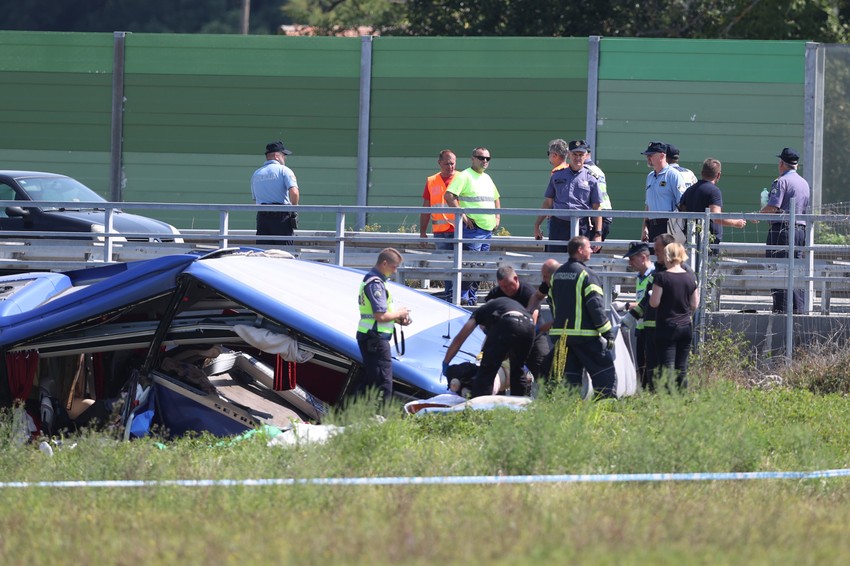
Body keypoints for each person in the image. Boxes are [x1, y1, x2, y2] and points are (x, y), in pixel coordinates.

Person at [545, 236, 616, 398]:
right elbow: (596, 306)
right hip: (586, 337)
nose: (592, 250)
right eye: (589, 247)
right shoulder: (587, 275)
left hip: (562, 338)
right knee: (604, 373)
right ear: (580, 250)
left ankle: (570, 410)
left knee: (570, 379)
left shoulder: (557, 275)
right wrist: (607, 333)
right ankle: (606, 409)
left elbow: (551, 303)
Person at [442, 296, 535, 398]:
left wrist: (446, 362)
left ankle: (479, 405)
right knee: (518, 372)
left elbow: (459, 339)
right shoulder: (511, 307)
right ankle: (519, 406)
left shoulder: (482, 313)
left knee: (487, 375)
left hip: (503, 369)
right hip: (529, 324)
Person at [445, 147, 501, 305]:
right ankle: (462, 297)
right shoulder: (465, 176)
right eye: (481, 158)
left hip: (487, 229)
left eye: (487, 159)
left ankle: (470, 297)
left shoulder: (487, 178)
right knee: (470, 265)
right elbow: (449, 196)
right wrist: (461, 214)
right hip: (473, 230)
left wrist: (497, 216)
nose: (484, 161)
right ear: (473, 159)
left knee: (480, 267)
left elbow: (496, 197)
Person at [355, 248, 411, 402]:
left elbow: (382, 314)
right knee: (383, 382)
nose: (395, 271)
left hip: (372, 336)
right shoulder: (376, 284)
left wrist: (399, 319)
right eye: (394, 267)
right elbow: (380, 316)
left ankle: (355, 414)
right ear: (384, 263)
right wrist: (399, 313)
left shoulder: (374, 281)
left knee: (371, 381)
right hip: (375, 338)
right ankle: (379, 417)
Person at [759, 147, 810, 314]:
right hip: (800, 230)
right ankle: (798, 310)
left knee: (778, 270)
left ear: (781, 163)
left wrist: (758, 215)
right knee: (795, 270)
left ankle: (781, 310)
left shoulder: (781, 182)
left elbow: (774, 206)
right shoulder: (804, 183)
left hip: (782, 231)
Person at [534, 139, 604, 253]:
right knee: (556, 261)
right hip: (559, 225)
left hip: (581, 226)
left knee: (579, 260)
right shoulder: (557, 175)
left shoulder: (591, 178)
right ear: (569, 154)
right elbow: (548, 202)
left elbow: (597, 207)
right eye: (575, 154)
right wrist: (537, 225)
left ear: (586, 156)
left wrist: (598, 233)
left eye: (581, 154)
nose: (578, 158)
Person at [484, 264, 551, 380]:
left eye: (509, 285)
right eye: (503, 287)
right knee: (504, 373)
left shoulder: (528, 292)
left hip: (533, 337)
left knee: (543, 372)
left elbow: (533, 317)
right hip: (507, 339)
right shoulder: (496, 294)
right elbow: (484, 316)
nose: (506, 289)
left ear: (516, 279)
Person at [679, 158, 746, 270]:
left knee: (691, 271)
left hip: (690, 240)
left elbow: (682, 209)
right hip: (709, 242)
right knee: (707, 275)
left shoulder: (690, 190)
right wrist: (736, 223)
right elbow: (716, 217)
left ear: (701, 173)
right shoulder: (714, 191)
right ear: (718, 175)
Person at [649, 242, 699, 389]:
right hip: (685, 326)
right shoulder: (690, 277)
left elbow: (654, 302)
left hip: (666, 326)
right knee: (682, 367)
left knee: (667, 367)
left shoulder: (661, 277)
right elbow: (695, 304)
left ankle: (668, 399)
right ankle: (682, 398)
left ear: (667, 256)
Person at [419, 149, 458, 301]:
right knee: (446, 266)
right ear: (439, 163)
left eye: (453, 163)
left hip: (459, 230)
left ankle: (460, 295)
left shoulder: (462, 178)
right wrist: (422, 232)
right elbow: (426, 208)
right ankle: (450, 295)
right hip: (440, 231)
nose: (450, 167)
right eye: (447, 163)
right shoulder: (431, 181)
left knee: (462, 263)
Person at [616, 242, 655, 390]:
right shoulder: (641, 277)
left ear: (644, 257)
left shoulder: (654, 275)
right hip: (641, 327)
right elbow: (641, 301)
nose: (630, 263)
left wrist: (626, 305)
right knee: (642, 366)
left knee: (650, 367)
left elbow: (646, 303)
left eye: (632, 259)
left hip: (651, 328)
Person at [250, 141, 300, 246]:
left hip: (262, 217)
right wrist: (294, 211)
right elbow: (294, 192)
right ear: (277, 156)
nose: (285, 158)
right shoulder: (284, 170)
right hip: (281, 216)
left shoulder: (256, 173)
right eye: (283, 155)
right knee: (284, 253)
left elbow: (255, 198)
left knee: (264, 253)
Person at [640, 141, 685, 243]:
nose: (648, 157)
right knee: (653, 257)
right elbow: (648, 205)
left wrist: (676, 228)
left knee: (667, 258)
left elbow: (682, 203)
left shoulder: (673, 175)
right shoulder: (650, 176)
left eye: (651, 155)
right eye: (647, 155)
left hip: (668, 226)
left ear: (662, 156)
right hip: (652, 227)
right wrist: (644, 227)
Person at [585, 148, 613, 240]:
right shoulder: (597, 170)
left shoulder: (586, 170)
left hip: (596, 215)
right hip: (604, 213)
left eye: (580, 154)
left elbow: (590, 196)